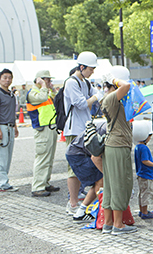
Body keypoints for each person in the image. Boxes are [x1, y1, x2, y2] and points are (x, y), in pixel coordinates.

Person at [101, 65, 137, 235]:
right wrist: (114, 78)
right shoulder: (111, 99)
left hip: (113, 145)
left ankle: (108, 223)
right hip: (118, 146)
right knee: (119, 184)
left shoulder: (110, 99)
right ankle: (118, 224)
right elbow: (126, 86)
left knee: (110, 185)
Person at [63, 51, 99, 215]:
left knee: (85, 164)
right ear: (82, 67)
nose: (92, 71)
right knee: (74, 167)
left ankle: (79, 199)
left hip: (84, 128)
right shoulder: (71, 82)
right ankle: (72, 203)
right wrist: (95, 97)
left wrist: (95, 96)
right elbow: (81, 104)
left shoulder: (85, 82)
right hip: (74, 129)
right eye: (90, 69)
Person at [26, 70, 60, 197]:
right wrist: (44, 86)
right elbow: (42, 98)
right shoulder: (34, 93)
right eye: (47, 80)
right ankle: (38, 186)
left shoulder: (45, 91)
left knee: (49, 157)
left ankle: (45, 182)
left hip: (50, 127)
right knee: (42, 157)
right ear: (39, 79)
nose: (49, 82)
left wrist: (52, 89)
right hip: (42, 129)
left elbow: (56, 100)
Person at [66, 120, 106, 224]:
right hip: (77, 154)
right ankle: (100, 212)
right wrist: (109, 176)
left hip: (79, 151)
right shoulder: (106, 131)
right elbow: (95, 157)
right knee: (101, 179)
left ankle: (82, 211)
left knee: (100, 179)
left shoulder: (110, 126)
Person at [0, 68, 19, 192]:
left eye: (9, 78)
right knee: (2, 157)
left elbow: (12, 112)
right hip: (2, 127)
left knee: (8, 156)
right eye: (5, 77)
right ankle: (3, 183)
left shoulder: (11, 94)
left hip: (10, 126)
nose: (7, 80)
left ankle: (4, 180)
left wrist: (15, 126)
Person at [133, 121, 153, 219]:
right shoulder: (144, 148)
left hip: (140, 174)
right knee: (146, 194)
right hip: (146, 174)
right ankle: (145, 212)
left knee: (141, 193)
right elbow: (145, 160)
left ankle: (142, 210)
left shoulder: (137, 147)